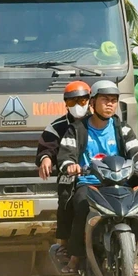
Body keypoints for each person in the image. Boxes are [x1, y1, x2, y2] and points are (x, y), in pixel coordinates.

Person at [57, 80, 138, 276]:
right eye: (105, 100)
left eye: (113, 100)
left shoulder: (122, 128)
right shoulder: (77, 129)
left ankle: (133, 258)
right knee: (82, 206)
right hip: (90, 184)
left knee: (137, 211)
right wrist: (70, 165)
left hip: (120, 183)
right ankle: (76, 258)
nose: (110, 104)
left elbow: (135, 149)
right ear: (92, 103)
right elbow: (66, 154)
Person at [36, 81, 91, 265]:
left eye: (82, 101)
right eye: (72, 102)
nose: (77, 106)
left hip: (103, 175)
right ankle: (64, 245)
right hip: (72, 174)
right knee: (67, 200)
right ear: (65, 103)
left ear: (90, 101)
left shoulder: (102, 122)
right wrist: (46, 158)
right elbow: (47, 147)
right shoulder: (57, 126)